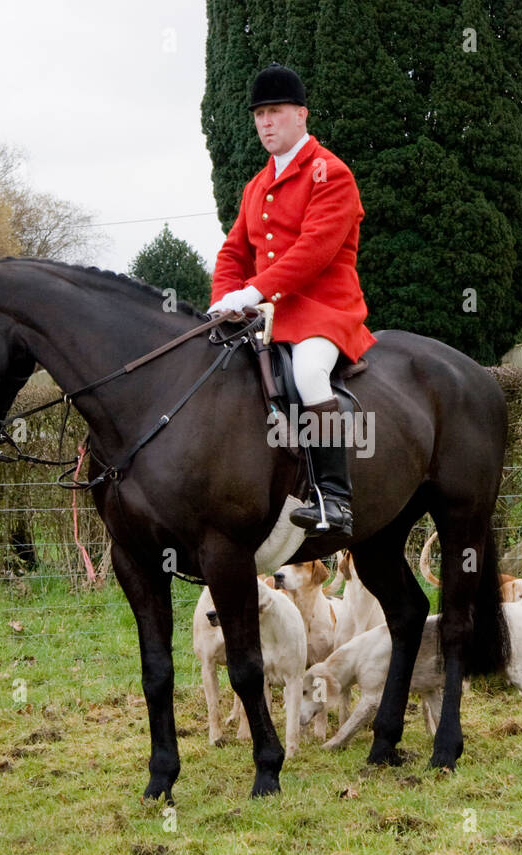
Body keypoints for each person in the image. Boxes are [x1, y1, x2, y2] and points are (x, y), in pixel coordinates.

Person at [209, 63, 377, 538]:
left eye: (275, 112)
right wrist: (223, 302)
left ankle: (334, 499)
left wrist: (254, 291)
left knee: (307, 372)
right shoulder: (256, 185)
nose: (265, 122)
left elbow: (313, 253)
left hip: (326, 310)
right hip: (271, 315)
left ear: (301, 115)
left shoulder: (332, 174)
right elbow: (233, 251)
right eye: (259, 114)